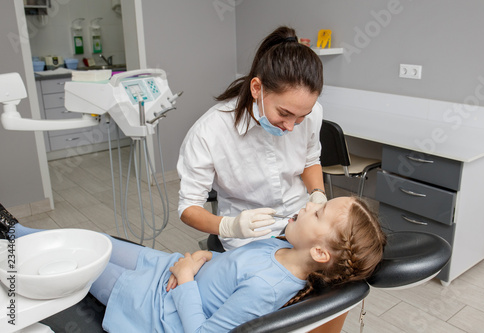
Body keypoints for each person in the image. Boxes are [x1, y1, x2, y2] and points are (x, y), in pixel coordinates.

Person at [9, 197, 386, 333]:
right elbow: (233, 269)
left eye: (317, 212)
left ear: (320, 253)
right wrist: (204, 257)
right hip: (172, 268)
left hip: (159, 308)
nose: (308, 205)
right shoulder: (279, 245)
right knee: (96, 241)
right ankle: (15, 228)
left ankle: (8, 240)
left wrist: (187, 277)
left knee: (79, 260)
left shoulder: (268, 288)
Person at [177, 26, 327, 250]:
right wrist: (230, 227)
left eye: (301, 118)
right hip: (248, 237)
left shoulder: (313, 113)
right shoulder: (209, 132)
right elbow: (189, 208)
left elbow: (310, 160)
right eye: (284, 114)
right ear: (257, 88)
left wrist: (318, 195)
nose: (290, 127)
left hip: (301, 221)